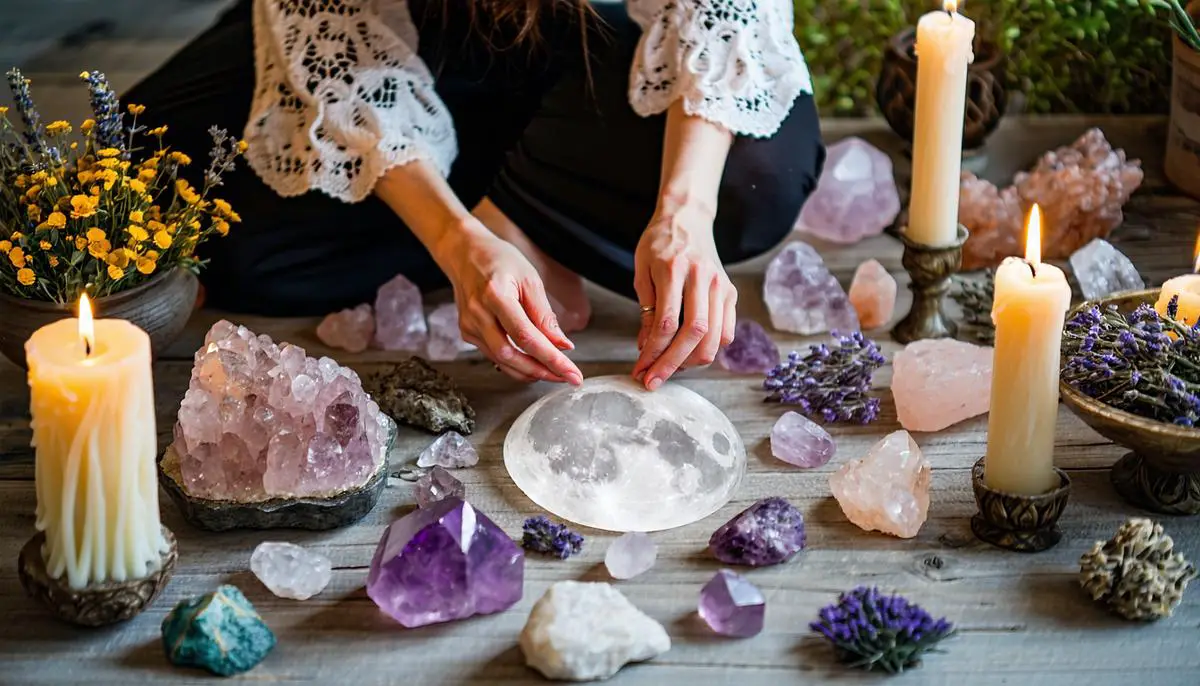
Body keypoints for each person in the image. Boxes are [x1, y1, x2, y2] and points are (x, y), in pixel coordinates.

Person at [123, 0, 824, 390]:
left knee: (750, 184)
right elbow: (330, 34)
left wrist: (682, 215)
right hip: (399, 30)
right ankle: (522, 214)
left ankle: (517, 211)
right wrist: (458, 243)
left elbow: (723, 11)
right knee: (149, 184)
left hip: (588, 43)